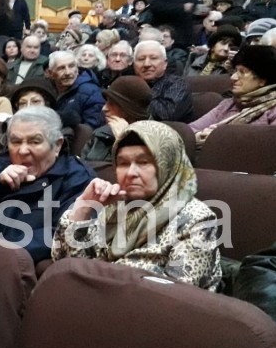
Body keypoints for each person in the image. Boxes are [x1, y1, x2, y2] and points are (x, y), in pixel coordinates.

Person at [54, 121, 222, 291]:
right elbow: (67, 268)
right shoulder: (113, 207)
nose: (131, 173)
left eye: (143, 162)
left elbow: (177, 296)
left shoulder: (196, 219)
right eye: (123, 163)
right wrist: (82, 209)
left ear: (168, 164)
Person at [0, 107, 95, 262]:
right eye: (16, 142)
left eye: (35, 142)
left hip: (11, 261)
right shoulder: (1, 163)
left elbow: (61, 235)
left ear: (57, 145)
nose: (23, 150)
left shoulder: (77, 177)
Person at [189, 44, 276, 145]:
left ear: (262, 79)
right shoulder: (228, 104)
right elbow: (189, 130)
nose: (233, 77)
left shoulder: (274, 109)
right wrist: (199, 136)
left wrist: (218, 137)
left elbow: (271, 146)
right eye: (235, 71)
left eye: (242, 72)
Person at [81, 76, 152, 162]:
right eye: (106, 101)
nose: (104, 108)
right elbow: (81, 167)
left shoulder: (154, 140)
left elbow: (137, 168)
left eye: (112, 104)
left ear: (129, 109)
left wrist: (125, 140)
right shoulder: (100, 135)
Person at [133, 40, 194, 122]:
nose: (146, 64)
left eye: (153, 58)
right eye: (141, 59)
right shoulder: (128, 84)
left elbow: (166, 115)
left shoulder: (177, 84)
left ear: (165, 63)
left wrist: (133, 98)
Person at [46, 50, 105, 128]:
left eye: (71, 66)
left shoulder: (91, 92)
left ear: (77, 70)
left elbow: (92, 126)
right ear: (50, 73)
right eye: (61, 68)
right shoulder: (46, 90)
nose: (67, 72)